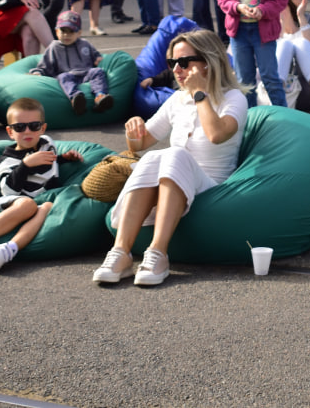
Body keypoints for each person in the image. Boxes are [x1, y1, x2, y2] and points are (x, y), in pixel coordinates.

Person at [93, 29, 248, 287]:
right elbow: (141, 143)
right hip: (173, 184)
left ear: (208, 63)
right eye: (172, 63)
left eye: (185, 62)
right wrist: (133, 131)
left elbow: (217, 134)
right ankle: (120, 253)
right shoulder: (177, 100)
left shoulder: (234, 98)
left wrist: (201, 95)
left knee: (173, 154)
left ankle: (158, 252)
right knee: (152, 157)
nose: (177, 69)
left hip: (212, 190)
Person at [0, 97, 82, 273]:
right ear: (10, 132)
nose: (27, 131)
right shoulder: (7, 161)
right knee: (28, 205)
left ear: (42, 128)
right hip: (14, 200)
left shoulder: (47, 143)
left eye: (34, 126)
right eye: (20, 127)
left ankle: (8, 249)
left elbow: (49, 165)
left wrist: (64, 159)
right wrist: (25, 166)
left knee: (47, 207)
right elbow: (6, 190)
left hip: (42, 200)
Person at [29, 10, 115, 114]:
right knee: (63, 77)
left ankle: (100, 97)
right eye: (63, 31)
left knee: (98, 72)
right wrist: (37, 72)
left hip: (85, 73)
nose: (66, 35)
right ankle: (76, 98)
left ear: (79, 33)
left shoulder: (85, 44)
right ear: (56, 31)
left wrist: (98, 60)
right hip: (68, 75)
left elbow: (96, 56)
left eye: (71, 31)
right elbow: (45, 66)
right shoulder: (54, 47)